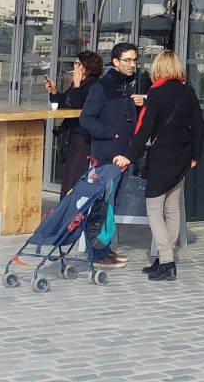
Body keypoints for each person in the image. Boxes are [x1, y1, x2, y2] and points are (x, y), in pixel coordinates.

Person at [120, 49, 204, 282]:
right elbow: (198, 125)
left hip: (161, 157)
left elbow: (145, 129)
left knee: (154, 210)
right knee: (172, 208)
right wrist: (195, 155)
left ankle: (166, 261)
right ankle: (164, 259)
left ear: (159, 68)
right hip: (182, 158)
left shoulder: (155, 93)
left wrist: (130, 155)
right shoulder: (188, 91)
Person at [79, 41, 142, 268]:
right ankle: (97, 255)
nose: (132, 64)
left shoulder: (126, 86)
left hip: (120, 156)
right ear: (115, 62)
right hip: (106, 157)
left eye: (134, 60)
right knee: (100, 206)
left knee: (110, 205)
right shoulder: (102, 87)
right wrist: (112, 135)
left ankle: (104, 249)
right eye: (127, 60)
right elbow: (86, 119)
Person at [52, 50, 103, 197]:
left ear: (88, 66)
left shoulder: (93, 85)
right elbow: (65, 101)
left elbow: (77, 104)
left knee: (75, 174)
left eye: (78, 64)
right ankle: (65, 208)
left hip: (83, 135)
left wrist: (76, 85)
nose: (74, 67)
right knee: (69, 173)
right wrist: (54, 93)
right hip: (72, 132)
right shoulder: (79, 83)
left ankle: (72, 211)